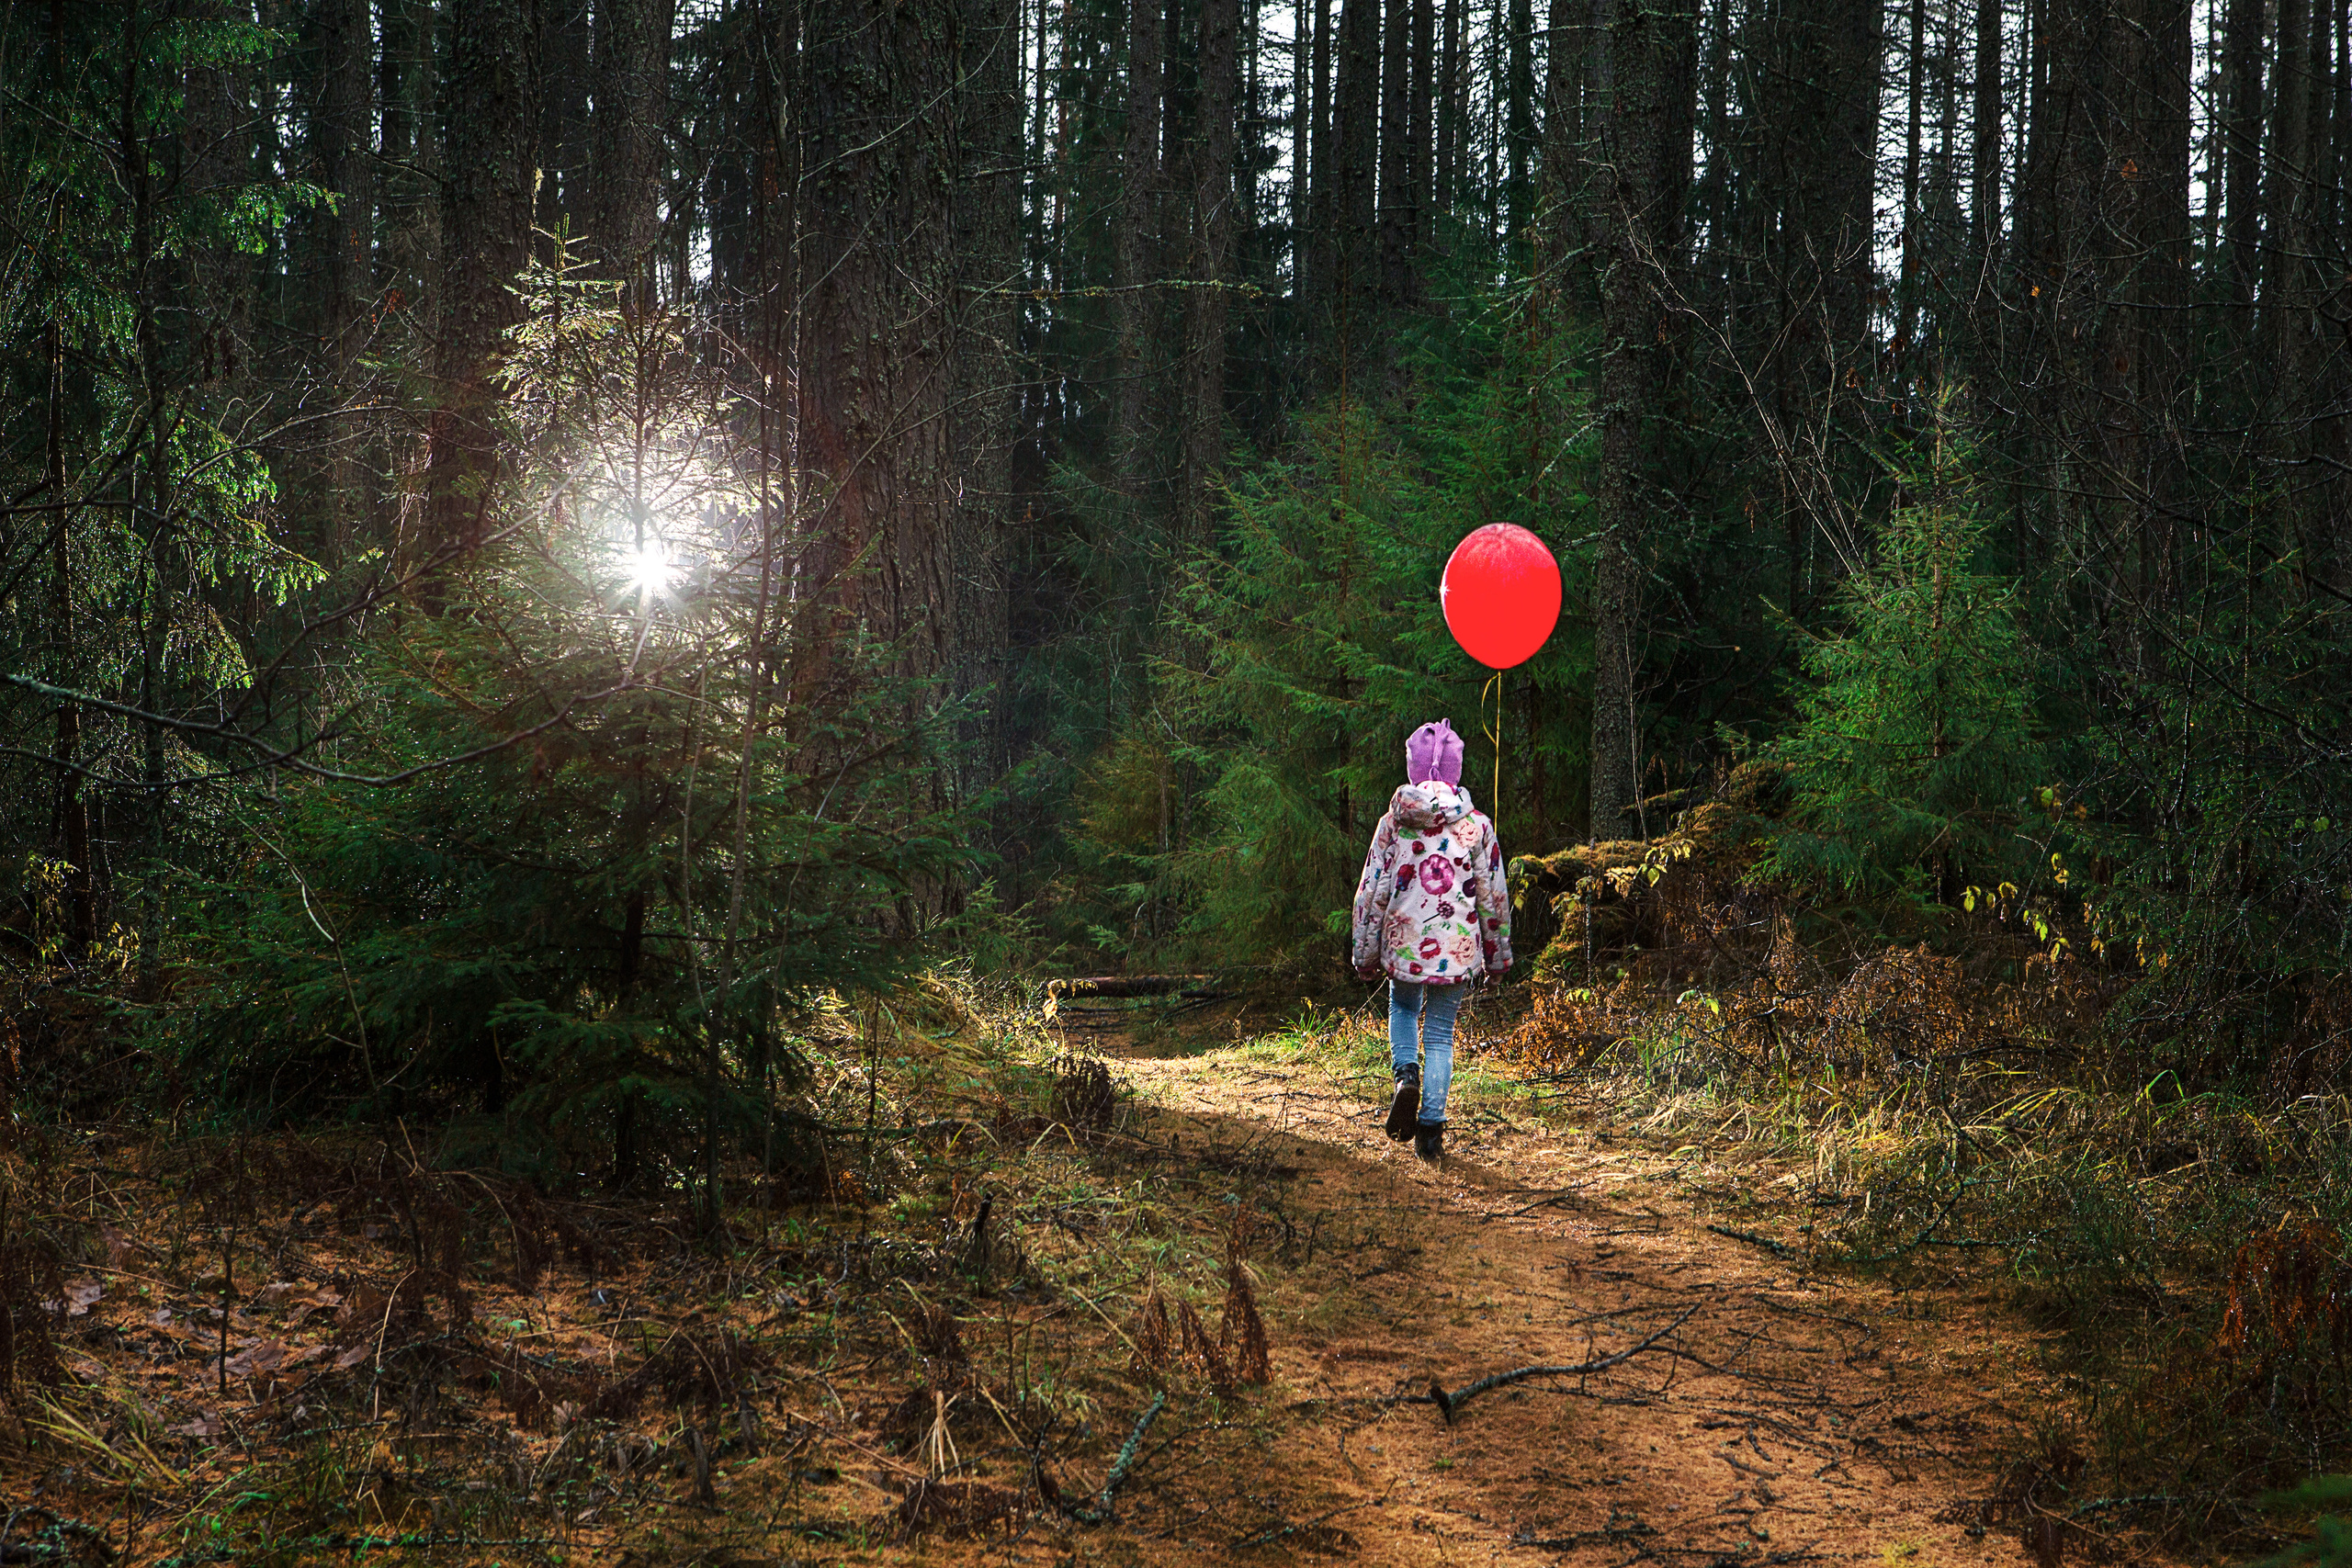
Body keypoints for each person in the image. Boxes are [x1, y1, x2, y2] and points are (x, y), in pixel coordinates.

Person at [1349, 718, 1513, 1160]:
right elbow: (1494, 899)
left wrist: (1364, 954)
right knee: (1441, 1032)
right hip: (1457, 949)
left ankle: (1406, 1075)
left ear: (1411, 768)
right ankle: (1431, 1130)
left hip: (1404, 941)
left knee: (1402, 1005)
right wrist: (1497, 959)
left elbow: (1370, 892)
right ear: (1456, 772)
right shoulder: (1476, 827)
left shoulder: (1395, 823)